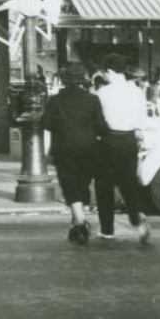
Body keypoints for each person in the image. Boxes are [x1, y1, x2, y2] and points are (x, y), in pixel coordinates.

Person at [42, 64, 108, 245]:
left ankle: (80, 221)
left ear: (64, 80)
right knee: (82, 183)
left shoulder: (55, 100)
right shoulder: (92, 100)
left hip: (64, 148)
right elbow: (101, 126)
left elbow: (46, 123)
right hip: (88, 148)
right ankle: (76, 225)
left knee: (69, 184)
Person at [95, 53, 151, 242]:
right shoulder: (136, 92)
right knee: (129, 184)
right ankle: (137, 218)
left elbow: (97, 120)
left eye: (105, 72)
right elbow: (141, 120)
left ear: (110, 71)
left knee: (104, 186)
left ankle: (107, 229)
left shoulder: (102, 93)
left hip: (108, 141)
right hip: (129, 141)